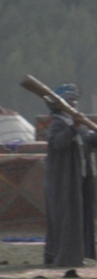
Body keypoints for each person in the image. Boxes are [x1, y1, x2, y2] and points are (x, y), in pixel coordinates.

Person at [43, 84, 97, 267]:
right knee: (65, 219)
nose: (74, 104)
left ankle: (80, 255)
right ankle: (64, 257)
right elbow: (59, 143)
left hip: (80, 178)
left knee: (81, 217)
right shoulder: (58, 122)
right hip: (63, 180)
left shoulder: (77, 123)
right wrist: (73, 128)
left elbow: (88, 141)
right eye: (71, 101)